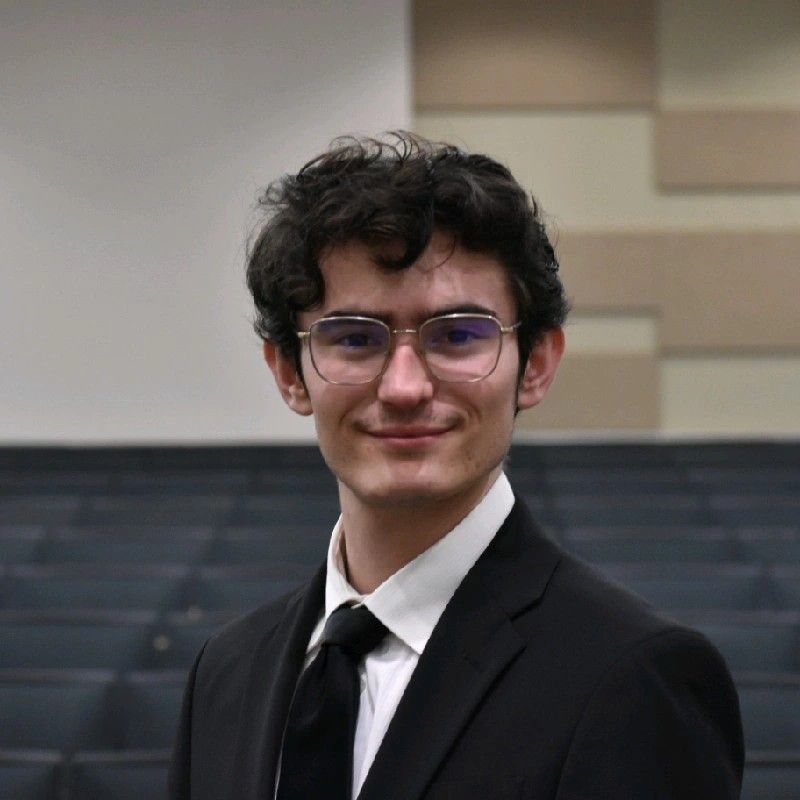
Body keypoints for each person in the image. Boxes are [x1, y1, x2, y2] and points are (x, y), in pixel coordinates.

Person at [169, 133, 744, 799]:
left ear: (536, 365)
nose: (405, 387)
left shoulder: (635, 677)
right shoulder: (226, 671)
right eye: (354, 338)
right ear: (290, 374)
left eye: (459, 335)